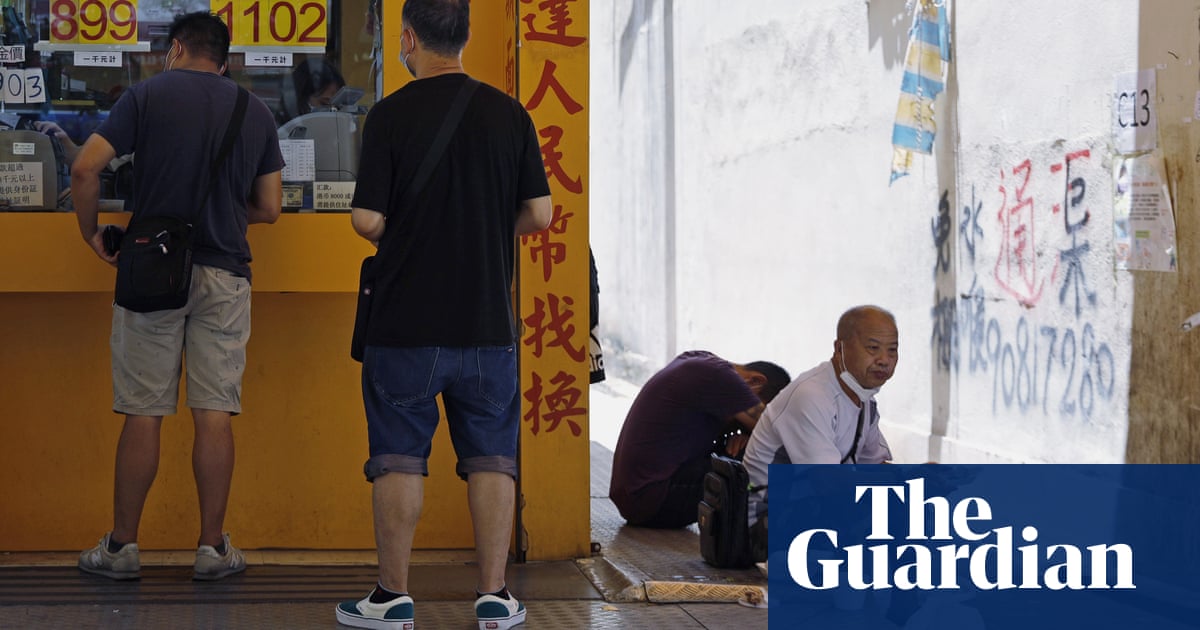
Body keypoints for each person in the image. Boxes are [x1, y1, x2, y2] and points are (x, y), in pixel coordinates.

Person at [335, 1, 552, 629]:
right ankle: (494, 596)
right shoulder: (510, 114)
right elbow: (538, 214)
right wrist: (484, 230)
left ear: (407, 39)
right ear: (465, 37)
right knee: (491, 457)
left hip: (404, 322)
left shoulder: (389, 115)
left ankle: (392, 598)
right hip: (486, 323)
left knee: (399, 455)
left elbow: (367, 219)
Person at [70, 11, 284, 581]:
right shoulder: (255, 110)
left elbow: (86, 170)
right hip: (225, 275)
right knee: (215, 412)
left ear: (176, 49)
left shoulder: (147, 96)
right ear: (224, 56)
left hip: (153, 274)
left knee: (143, 413)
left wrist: (91, 233)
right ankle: (212, 550)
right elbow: (269, 207)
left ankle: (121, 549)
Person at [742, 305, 899, 557]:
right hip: (763, 524)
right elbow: (829, 486)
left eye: (892, 350)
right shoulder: (812, 395)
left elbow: (874, 468)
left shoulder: (864, 400)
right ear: (840, 349)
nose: (884, 359)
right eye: (873, 348)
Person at [608, 351, 791, 528]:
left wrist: (747, 434)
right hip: (652, 499)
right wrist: (753, 437)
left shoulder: (698, 360)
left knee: (746, 449)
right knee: (762, 454)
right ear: (755, 382)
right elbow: (782, 438)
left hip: (637, 496)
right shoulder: (721, 377)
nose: (740, 424)